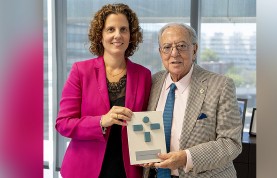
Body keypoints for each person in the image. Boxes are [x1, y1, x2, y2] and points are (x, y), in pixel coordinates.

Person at [55, 3, 151, 178]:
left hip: (128, 170)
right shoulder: (80, 71)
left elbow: (146, 122)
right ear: (100, 35)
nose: (118, 35)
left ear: (131, 35)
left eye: (124, 29)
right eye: (111, 29)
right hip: (84, 169)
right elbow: (63, 124)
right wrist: (101, 121)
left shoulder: (144, 75)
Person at [143, 23, 242, 178]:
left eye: (181, 46)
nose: (174, 53)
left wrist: (186, 157)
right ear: (160, 52)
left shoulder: (221, 85)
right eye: (167, 47)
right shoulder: (152, 82)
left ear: (194, 50)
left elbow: (231, 143)